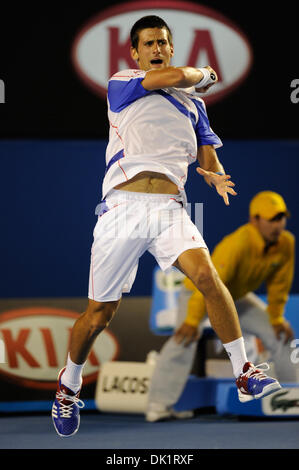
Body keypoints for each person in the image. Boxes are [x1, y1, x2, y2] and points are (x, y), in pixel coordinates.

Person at [52, 15, 280, 438]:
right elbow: (178, 77)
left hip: (170, 210)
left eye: (163, 42)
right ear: (136, 53)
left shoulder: (195, 104)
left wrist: (213, 173)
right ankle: (68, 384)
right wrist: (207, 74)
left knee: (208, 278)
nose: (157, 48)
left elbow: (206, 153)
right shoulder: (124, 82)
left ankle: (244, 370)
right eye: (149, 43)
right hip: (122, 208)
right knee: (99, 315)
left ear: (171, 47)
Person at [146, 191, 297, 422]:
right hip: (198, 291)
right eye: (271, 219)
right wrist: (192, 320)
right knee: (186, 337)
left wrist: (276, 319)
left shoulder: (286, 243)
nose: (278, 225)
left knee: (280, 334)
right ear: (254, 220)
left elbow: (280, 285)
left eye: (281, 218)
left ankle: (292, 396)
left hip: (235, 296)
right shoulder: (238, 243)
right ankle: (158, 405)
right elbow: (207, 283)